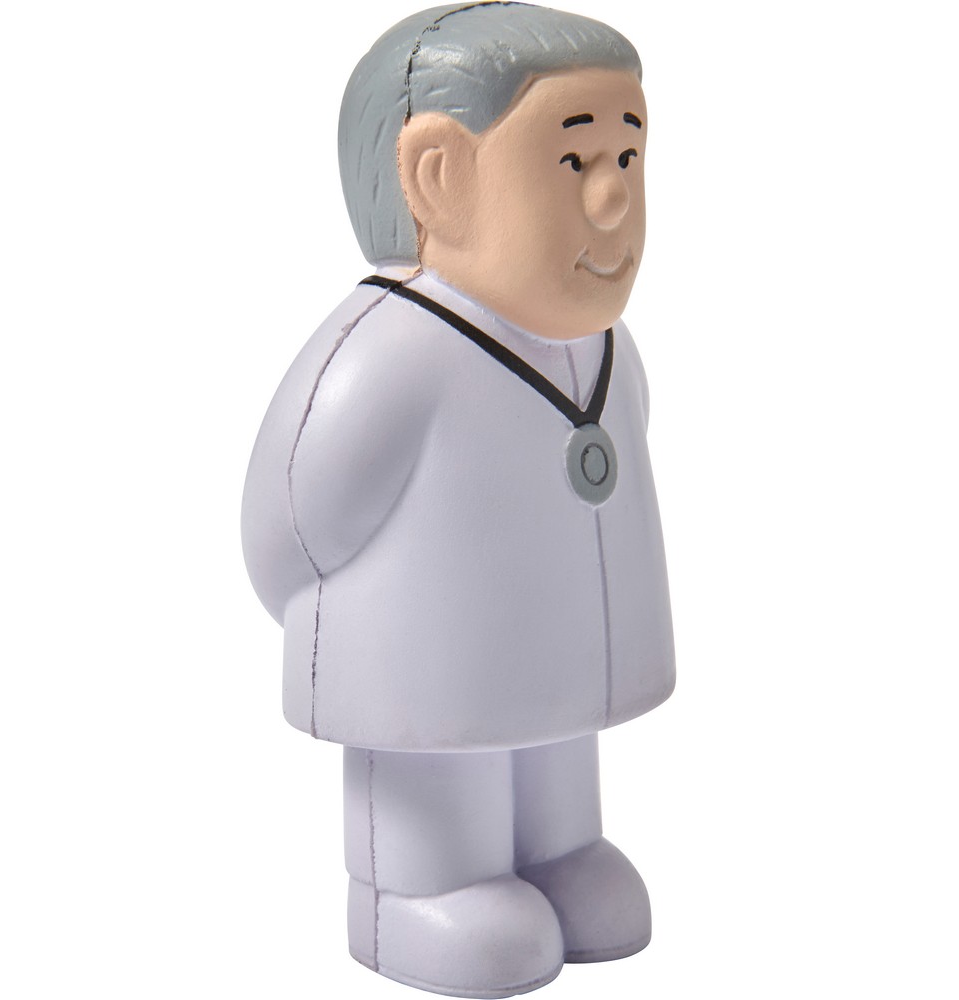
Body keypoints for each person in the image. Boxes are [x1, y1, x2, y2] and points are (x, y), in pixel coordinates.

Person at [241, 3, 675, 996]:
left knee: (553, 739)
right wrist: (330, 620)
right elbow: (290, 520)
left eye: (628, 156)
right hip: (425, 667)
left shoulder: (603, 346)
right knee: (445, 761)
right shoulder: (389, 354)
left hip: (561, 656)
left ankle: (559, 851)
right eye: (573, 162)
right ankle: (418, 892)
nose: (614, 196)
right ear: (438, 176)